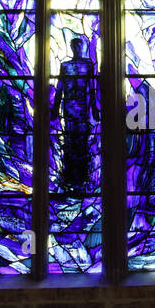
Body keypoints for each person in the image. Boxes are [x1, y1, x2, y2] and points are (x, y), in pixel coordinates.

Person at [51, 37, 100, 192]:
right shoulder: (70, 66)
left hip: (78, 107)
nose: (78, 49)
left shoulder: (85, 65)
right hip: (73, 107)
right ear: (73, 48)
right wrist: (54, 109)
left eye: (79, 46)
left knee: (79, 141)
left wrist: (94, 110)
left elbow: (91, 90)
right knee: (72, 140)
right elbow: (60, 88)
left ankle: (79, 178)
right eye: (76, 46)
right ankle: (72, 178)